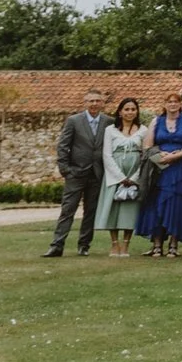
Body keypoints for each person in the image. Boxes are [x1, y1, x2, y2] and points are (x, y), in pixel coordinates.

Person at [46, 87, 108, 258]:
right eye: (91, 100)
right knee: (68, 210)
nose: (94, 104)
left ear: (102, 102)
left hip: (97, 173)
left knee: (91, 211)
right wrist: (65, 169)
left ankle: (84, 245)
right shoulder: (74, 120)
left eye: (97, 100)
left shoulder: (109, 122)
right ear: (85, 102)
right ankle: (57, 245)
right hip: (75, 172)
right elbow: (63, 145)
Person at [144, 92, 182, 258]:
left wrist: (176, 156)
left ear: (181, 104)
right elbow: (147, 146)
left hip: (180, 168)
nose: (173, 104)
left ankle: (174, 244)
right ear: (165, 104)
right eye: (170, 102)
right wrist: (161, 157)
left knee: (177, 205)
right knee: (157, 205)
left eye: (176, 102)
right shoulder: (156, 121)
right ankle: (157, 244)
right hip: (160, 168)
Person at [95, 96, 147, 257]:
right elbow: (107, 154)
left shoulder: (144, 130)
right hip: (115, 173)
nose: (130, 112)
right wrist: (120, 177)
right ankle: (114, 244)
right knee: (113, 209)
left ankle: (126, 245)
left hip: (134, 171)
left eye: (133, 109)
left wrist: (134, 177)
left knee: (129, 210)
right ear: (120, 112)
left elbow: (145, 155)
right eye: (126, 109)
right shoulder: (110, 130)